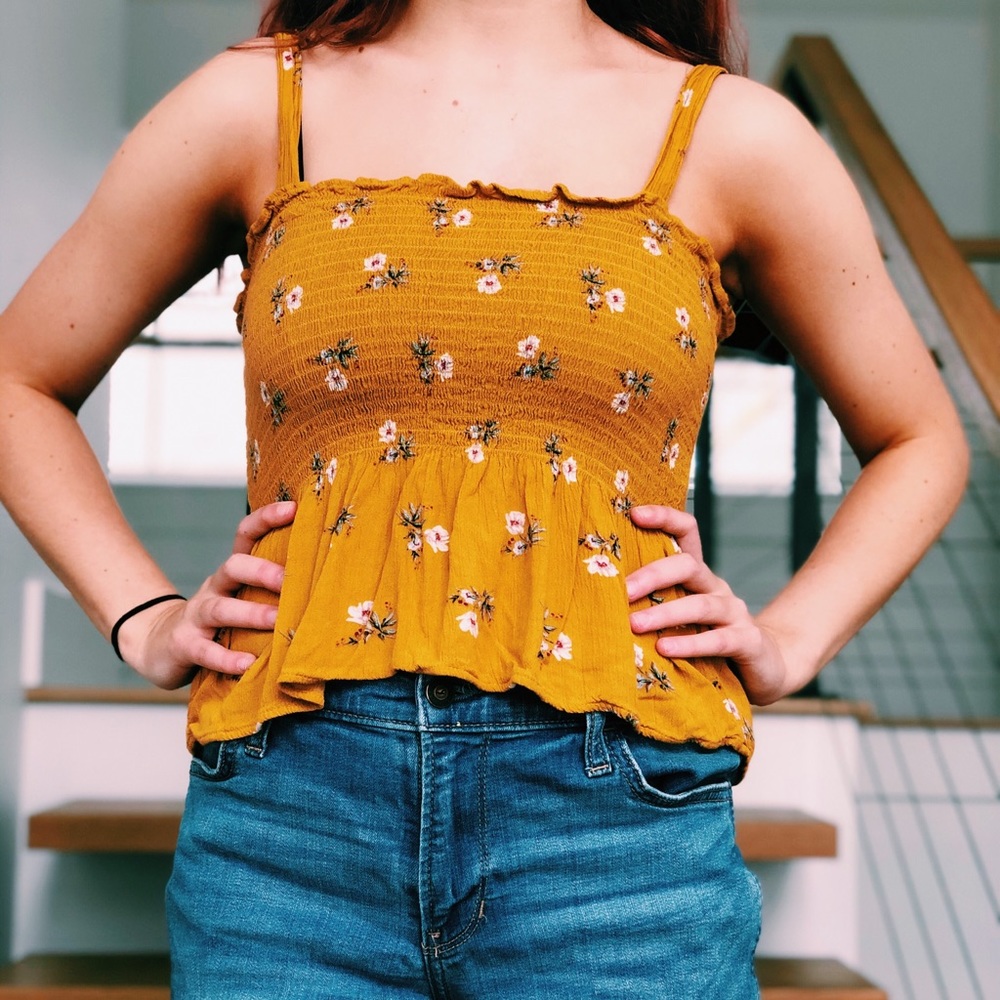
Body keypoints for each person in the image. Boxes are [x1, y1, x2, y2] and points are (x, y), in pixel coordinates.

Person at [0, 1, 968, 997]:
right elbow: (17, 379)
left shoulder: (736, 134)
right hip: (290, 822)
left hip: (617, 832)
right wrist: (143, 616)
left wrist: (791, 639)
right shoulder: (256, 99)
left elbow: (920, 436)